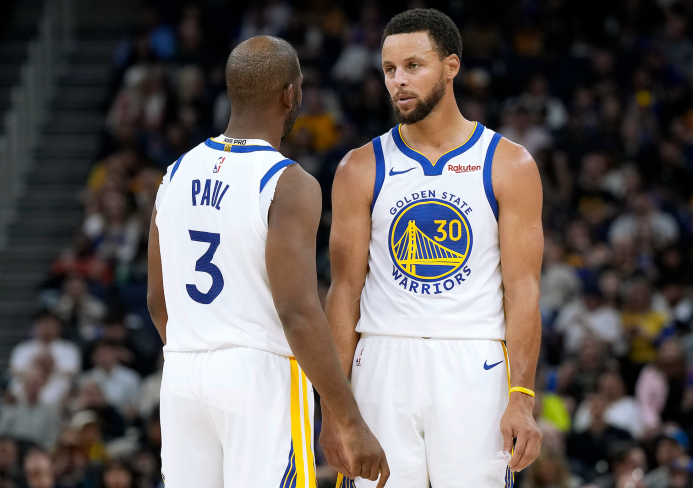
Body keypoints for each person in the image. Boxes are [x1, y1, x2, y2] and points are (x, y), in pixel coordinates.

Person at [146, 35, 388, 488]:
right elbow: (297, 311)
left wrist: (202, 347)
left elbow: (158, 300)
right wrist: (349, 420)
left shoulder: (175, 172)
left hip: (181, 372)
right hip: (257, 376)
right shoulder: (288, 182)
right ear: (289, 95)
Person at [320, 9, 543, 488]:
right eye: (389, 70)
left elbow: (523, 291)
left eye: (413, 66)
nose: (398, 81)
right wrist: (335, 410)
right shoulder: (359, 167)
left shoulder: (509, 163)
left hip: (474, 362)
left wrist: (521, 396)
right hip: (381, 359)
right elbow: (343, 293)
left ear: (451, 66)